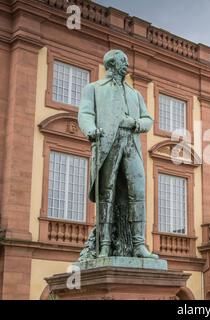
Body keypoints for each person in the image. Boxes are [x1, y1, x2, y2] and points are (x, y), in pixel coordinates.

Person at [78, 49, 156, 258]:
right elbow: (85, 113)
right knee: (107, 194)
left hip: (130, 142)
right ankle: (104, 244)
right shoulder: (93, 89)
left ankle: (139, 244)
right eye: (123, 62)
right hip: (107, 142)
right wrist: (91, 130)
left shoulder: (134, 94)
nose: (126, 66)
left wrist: (136, 123)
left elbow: (148, 119)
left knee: (137, 191)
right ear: (111, 64)